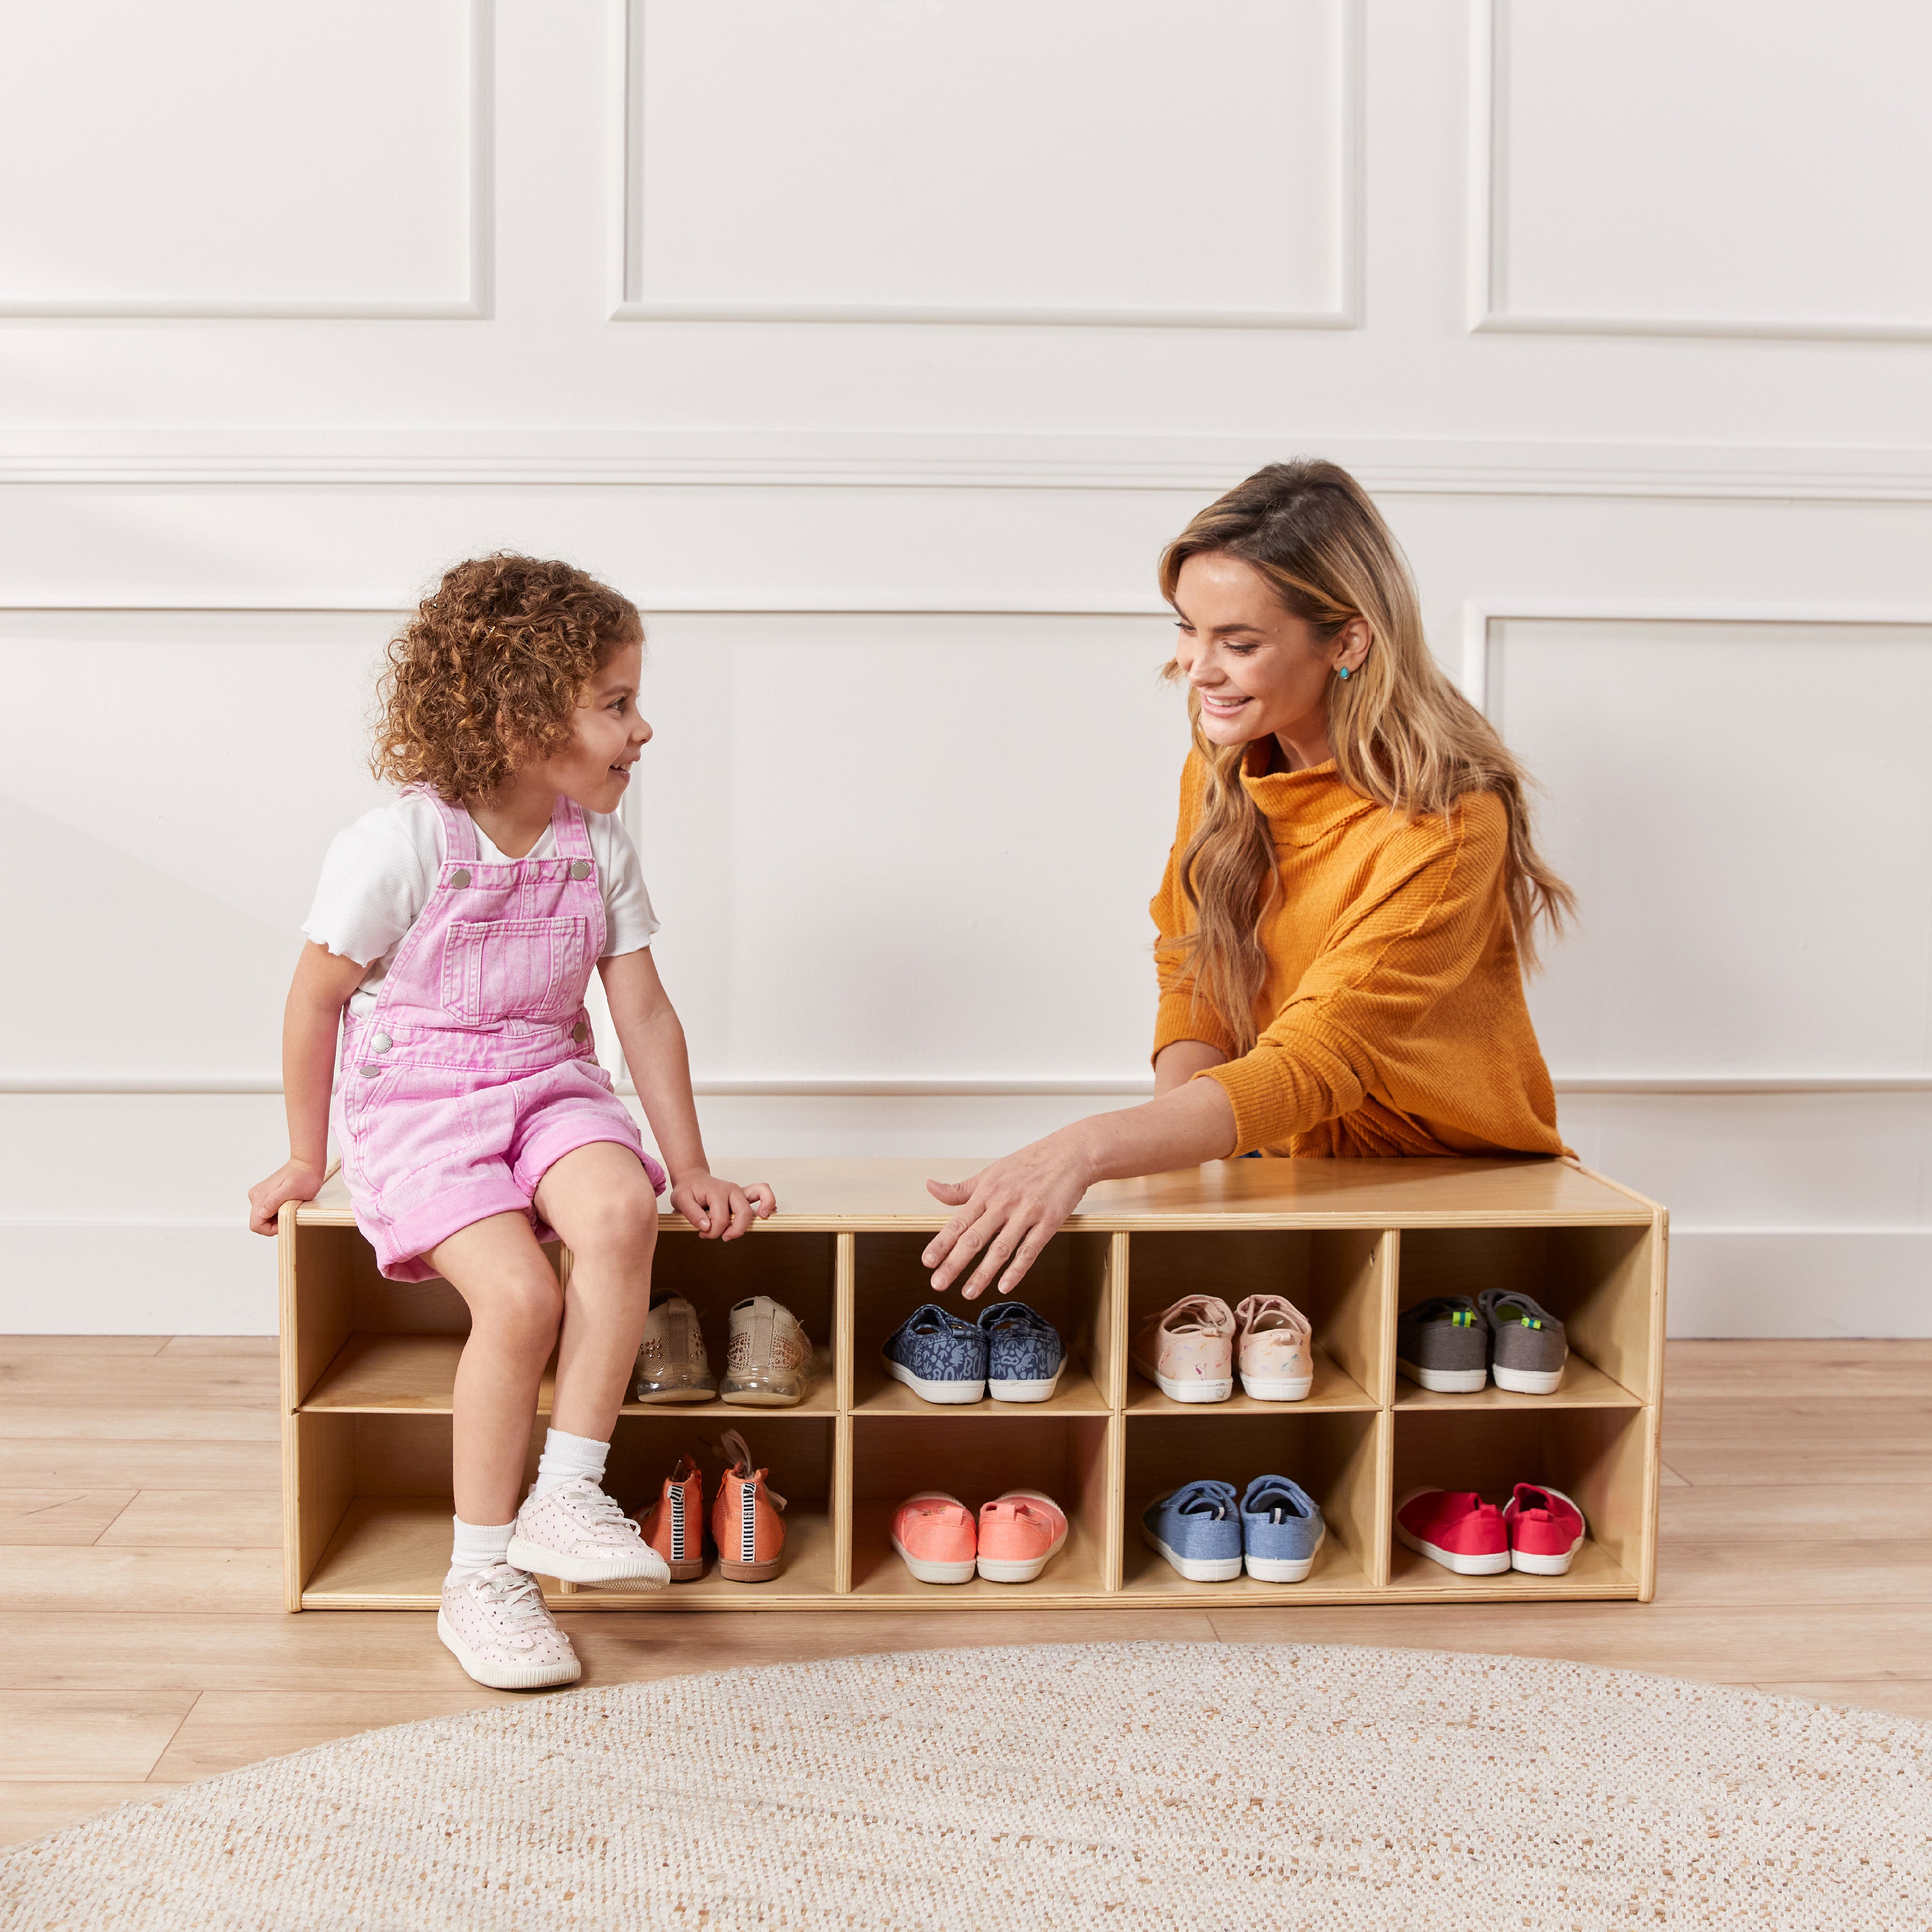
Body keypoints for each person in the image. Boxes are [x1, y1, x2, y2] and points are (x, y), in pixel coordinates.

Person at [247, 554, 773, 1689]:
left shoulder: (600, 847)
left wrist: (689, 1164)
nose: (643, 729)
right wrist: (305, 1152)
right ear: (520, 716)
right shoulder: (399, 846)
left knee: (619, 1207)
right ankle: (481, 1575)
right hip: (422, 1104)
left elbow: (640, 1009)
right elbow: (314, 1000)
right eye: (616, 703)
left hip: (547, 1078)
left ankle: (567, 1493)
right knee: (523, 1293)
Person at [923, 459, 1572, 1300]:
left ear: (1348, 642)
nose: (1197, 668)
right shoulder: (1230, 757)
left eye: (1239, 643)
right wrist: (1180, 1160)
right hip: (1275, 1162)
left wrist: (1086, 1150)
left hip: (1444, 1187)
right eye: (1188, 628)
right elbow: (1196, 964)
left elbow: (1318, 1057)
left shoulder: (1446, 824)